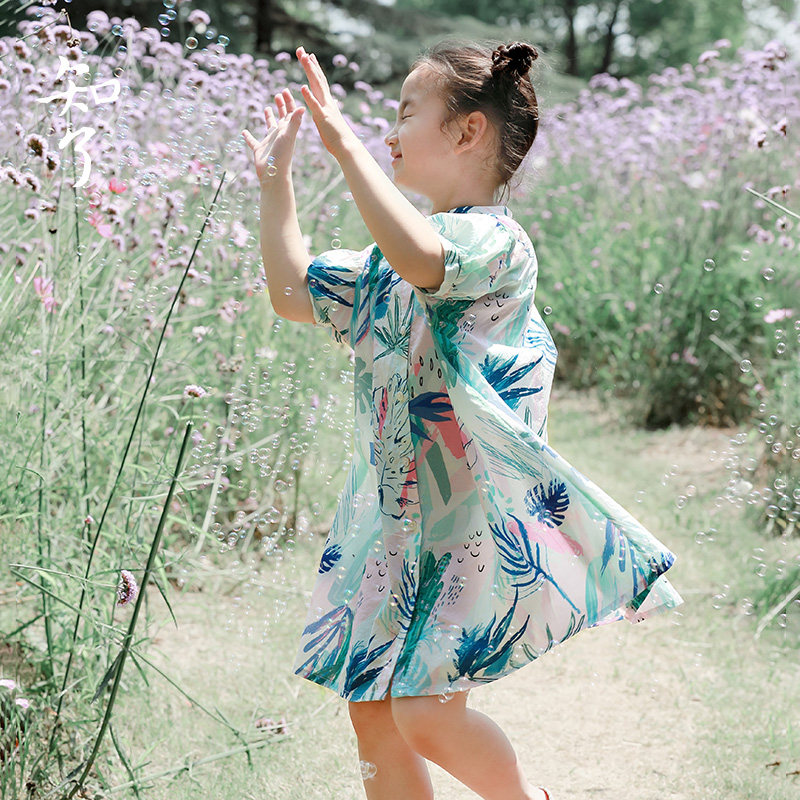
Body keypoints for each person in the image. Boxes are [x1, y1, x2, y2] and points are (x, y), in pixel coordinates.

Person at [242, 39, 684, 800]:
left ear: (468, 131)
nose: (389, 131)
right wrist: (275, 182)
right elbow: (291, 294)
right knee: (373, 713)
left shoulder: (494, 244)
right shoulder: (384, 264)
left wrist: (343, 146)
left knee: (424, 713)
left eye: (407, 112)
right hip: (392, 523)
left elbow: (426, 259)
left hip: (469, 525)